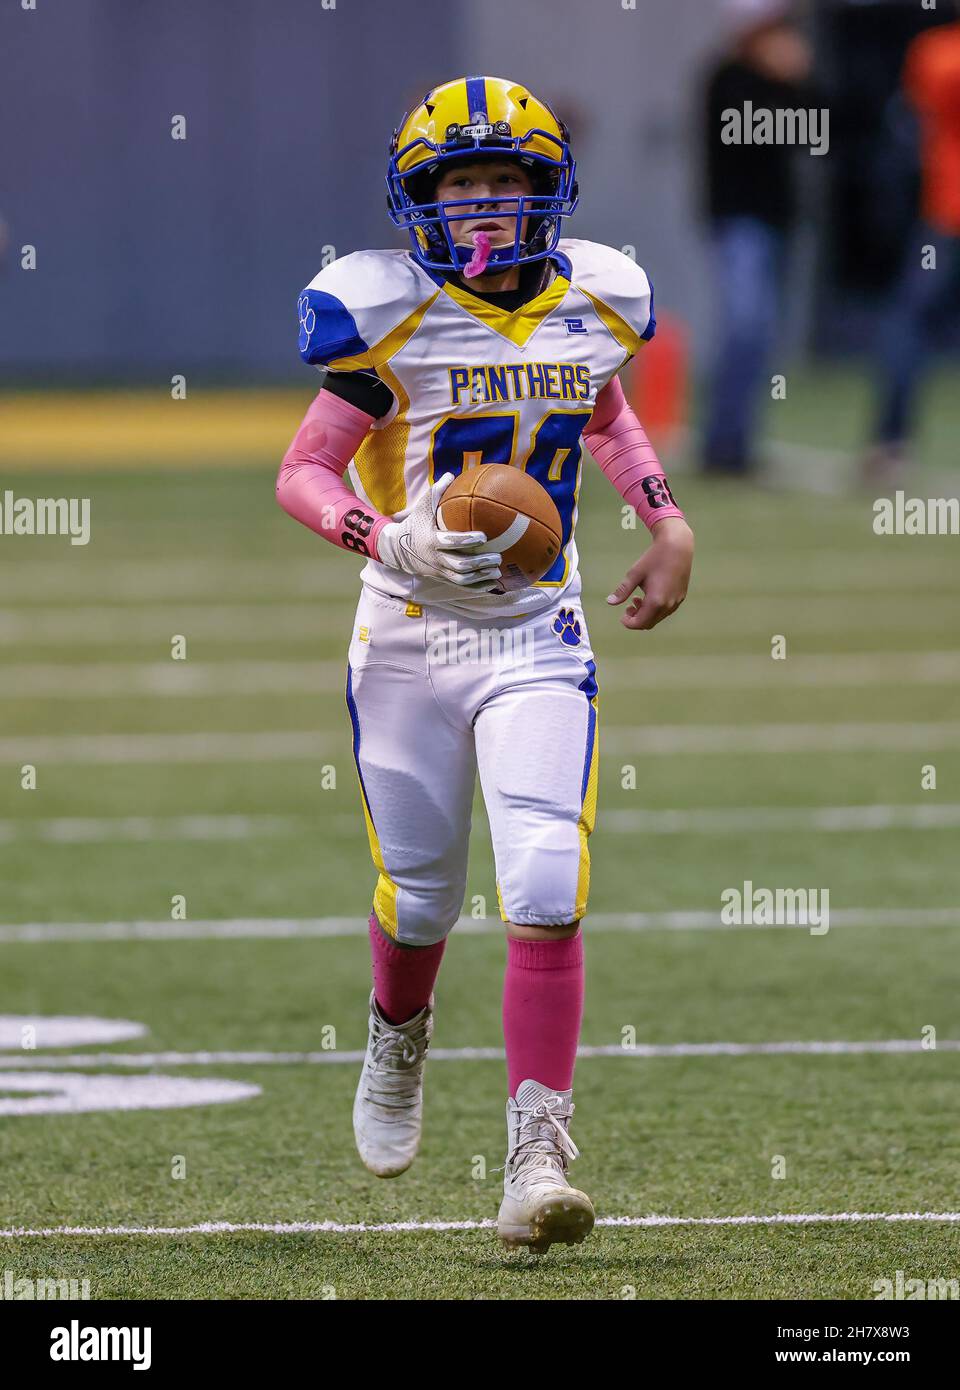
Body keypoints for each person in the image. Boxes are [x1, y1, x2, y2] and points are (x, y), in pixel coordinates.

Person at [276, 76, 694, 1252]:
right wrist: (382, 532)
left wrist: (666, 520)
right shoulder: (385, 311)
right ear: (421, 201)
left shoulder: (595, 298)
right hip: (408, 635)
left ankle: (537, 1149)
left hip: (537, 635)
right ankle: (397, 1032)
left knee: (548, 886)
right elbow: (302, 471)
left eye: (504, 182)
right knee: (417, 902)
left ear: (546, 192)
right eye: (459, 186)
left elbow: (600, 409)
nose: (484, 208)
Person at [702, 0, 813, 475]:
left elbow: (817, 133)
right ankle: (722, 443)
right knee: (745, 327)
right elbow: (751, 135)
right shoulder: (727, 78)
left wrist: (796, 83)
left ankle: (738, 442)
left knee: (763, 335)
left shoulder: (783, 81)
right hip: (740, 221)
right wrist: (780, 82)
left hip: (777, 221)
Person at [865, 11, 960, 483]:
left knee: (908, 324)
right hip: (944, 210)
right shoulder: (938, 52)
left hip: (943, 213)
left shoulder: (935, 51)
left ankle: (890, 441)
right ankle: (890, 440)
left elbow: (907, 125)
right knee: (909, 324)